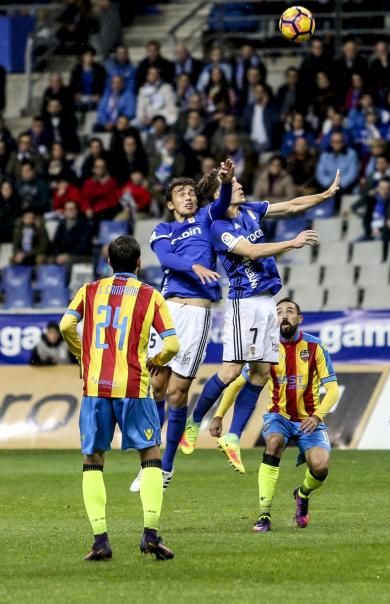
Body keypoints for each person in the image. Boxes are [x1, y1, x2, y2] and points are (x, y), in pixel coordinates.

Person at [179, 170, 340, 467]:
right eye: (234, 185)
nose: (241, 186)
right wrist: (291, 243)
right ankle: (194, 421)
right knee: (230, 371)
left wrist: (325, 195)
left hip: (267, 302)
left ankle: (233, 437)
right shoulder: (218, 226)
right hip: (246, 302)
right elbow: (251, 251)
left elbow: (290, 206)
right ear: (219, 194)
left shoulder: (249, 210)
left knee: (262, 373)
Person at [59, 236, 180, 561]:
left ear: (109, 263)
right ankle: (150, 535)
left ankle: (100, 541)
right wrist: (153, 360)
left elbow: (66, 324)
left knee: (93, 460)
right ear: (139, 263)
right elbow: (171, 345)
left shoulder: (89, 291)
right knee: (150, 455)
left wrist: (83, 355)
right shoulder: (150, 295)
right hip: (133, 386)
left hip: (96, 388)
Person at [129, 160, 235, 494]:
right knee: (156, 386)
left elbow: (221, 201)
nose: (188, 197)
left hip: (197, 315)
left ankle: (166, 468)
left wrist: (228, 182)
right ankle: (150, 464)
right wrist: (194, 266)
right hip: (168, 309)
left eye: (191, 192)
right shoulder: (163, 230)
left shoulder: (206, 218)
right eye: (181, 193)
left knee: (177, 392)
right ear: (170, 203)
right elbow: (165, 259)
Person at [210, 299, 339, 530]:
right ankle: (264, 516)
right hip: (278, 416)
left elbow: (332, 389)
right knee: (274, 442)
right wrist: (219, 415)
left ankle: (302, 494)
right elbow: (238, 382)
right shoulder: (266, 349)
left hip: (309, 420)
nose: (284, 316)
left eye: (290, 311)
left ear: (299, 319)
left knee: (320, 467)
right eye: (278, 312)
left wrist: (318, 416)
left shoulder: (315, 347)